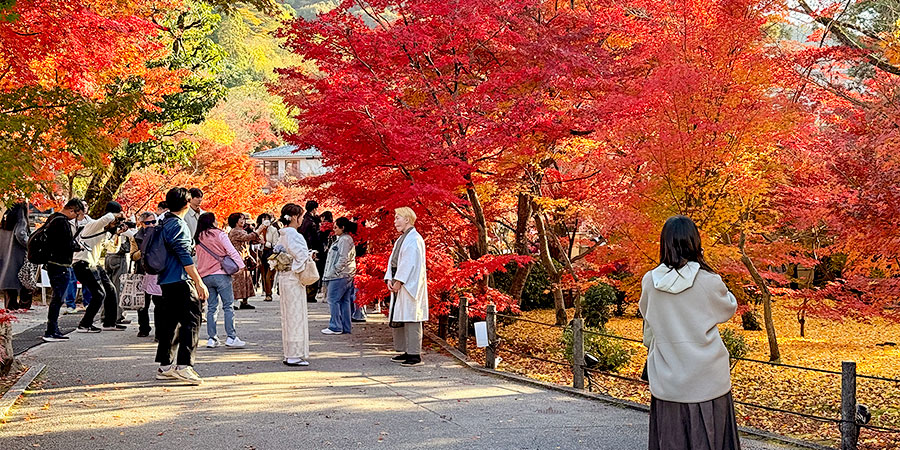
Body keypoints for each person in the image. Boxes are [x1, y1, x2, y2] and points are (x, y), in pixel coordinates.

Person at [639, 215, 740, 450]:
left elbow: (648, 315)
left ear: (664, 243)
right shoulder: (708, 281)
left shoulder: (649, 282)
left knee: (670, 441)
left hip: (667, 379)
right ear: (695, 242)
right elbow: (728, 308)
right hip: (708, 380)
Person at [154, 187, 209, 385]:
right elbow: (184, 254)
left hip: (166, 279)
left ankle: (166, 366)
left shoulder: (163, 222)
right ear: (187, 204)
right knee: (192, 321)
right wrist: (198, 281)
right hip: (180, 278)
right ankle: (185, 366)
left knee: (170, 323)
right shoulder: (178, 224)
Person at [73, 201, 127, 332]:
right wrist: (118, 215)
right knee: (99, 294)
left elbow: (112, 249)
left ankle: (109, 322)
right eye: (115, 221)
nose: (115, 223)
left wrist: (117, 234)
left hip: (94, 264)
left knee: (111, 289)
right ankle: (84, 324)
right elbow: (107, 218)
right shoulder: (93, 225)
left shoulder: (105, 231)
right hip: (82, 263)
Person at [195, 212, 246, 349]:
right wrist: (240, 265)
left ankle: (212, 338)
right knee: (228, 306)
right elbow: (231, 251)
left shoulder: (198, 237)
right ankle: (231, 337)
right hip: (221, 274)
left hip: (205, 275)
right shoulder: (219, 234)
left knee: (211, 308)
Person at [384, 207, 428, 367]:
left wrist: (399, 280)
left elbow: (409, 263)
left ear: (407, 219)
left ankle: (414, 354)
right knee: (402, 317)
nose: (395, 221)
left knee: (412, 319)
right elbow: (393, 260)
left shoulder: (414, 239)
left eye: (397, 218)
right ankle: (406, 351)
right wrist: (390, 277)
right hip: (400, 283)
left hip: (409, 284)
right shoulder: (402, 239)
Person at [41, 199, 87, 342]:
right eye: (77, 214)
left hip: (53, 263)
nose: (76, 218)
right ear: (72, 210)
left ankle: (53, 328)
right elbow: (65, 244)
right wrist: (76, 247)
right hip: (60, 264)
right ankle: (51, 330)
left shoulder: (53, 218)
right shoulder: (62, 222)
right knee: (58, 298)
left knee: (57, 297)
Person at [276, 203, 312, 366]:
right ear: (295, 217)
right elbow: (301, 256)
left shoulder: (283, 234)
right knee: (296, 316)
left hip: (285, 277)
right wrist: (299, 266)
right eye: (301, 216)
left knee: (288, 316)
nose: (302, 220)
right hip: (293, 278)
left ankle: (289, 352)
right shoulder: (294, 234)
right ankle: (294, 354)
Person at [322, 217, 356, 335]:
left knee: (333, 299)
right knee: (344, 300)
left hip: (340, 275)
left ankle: (335, 326)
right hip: (346, 274)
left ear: (342, 228)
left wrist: (335, 270)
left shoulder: (344, 240)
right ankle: (346, 326)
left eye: (336, 227)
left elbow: (343, 257)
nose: (334, 229)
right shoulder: (344, 239)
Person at [130, 212, 161, 338]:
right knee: (142, 303)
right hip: (142, 272)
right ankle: (144, 328)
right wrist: (143, 250)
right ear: (142, 224)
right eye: (148, 223)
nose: (152, 225)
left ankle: (160, 332)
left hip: (158, 273)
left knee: (159, 304)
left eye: (154, 222)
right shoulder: (136, 237)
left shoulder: (160, 234)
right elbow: (133, 256)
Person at [227, 212, 264, 310]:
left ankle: (244, 301)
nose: (243, 221)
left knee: (246, 279)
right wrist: (260, 229)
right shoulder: (235, 231)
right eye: (241, 219)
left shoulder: (241, 230)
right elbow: (248, 238)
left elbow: (251, 239)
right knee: (237, 280)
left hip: (243, 257)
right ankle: (234, 301)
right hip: (237, 257)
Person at [0, 203, 33, 310]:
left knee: (7, 280)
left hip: (4, 253)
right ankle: (24, 304)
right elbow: (20, 234)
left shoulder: (4, 221)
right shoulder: (21, 220)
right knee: (25, 280)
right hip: (16, 254)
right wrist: (30, 245)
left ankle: (10, 305)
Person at [298, 200, 323, 302]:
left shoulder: (303, 220)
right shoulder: (312, 222)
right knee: (312, 270)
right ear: (314, 209)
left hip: (304, 248)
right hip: (312, 248)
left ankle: (308, 293)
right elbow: (314, 237)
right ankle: (311, 294)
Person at [256, 213, 278, 302]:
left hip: (270, 253)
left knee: (269, 274)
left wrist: (265, 243)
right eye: (263, 218)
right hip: (261, 253)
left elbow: (275, 244)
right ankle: (267, 292)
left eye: (266, 219)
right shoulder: (258, 230)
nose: (265, 220)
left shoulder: (273, 230)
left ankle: (269, 293)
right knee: (263, 274)